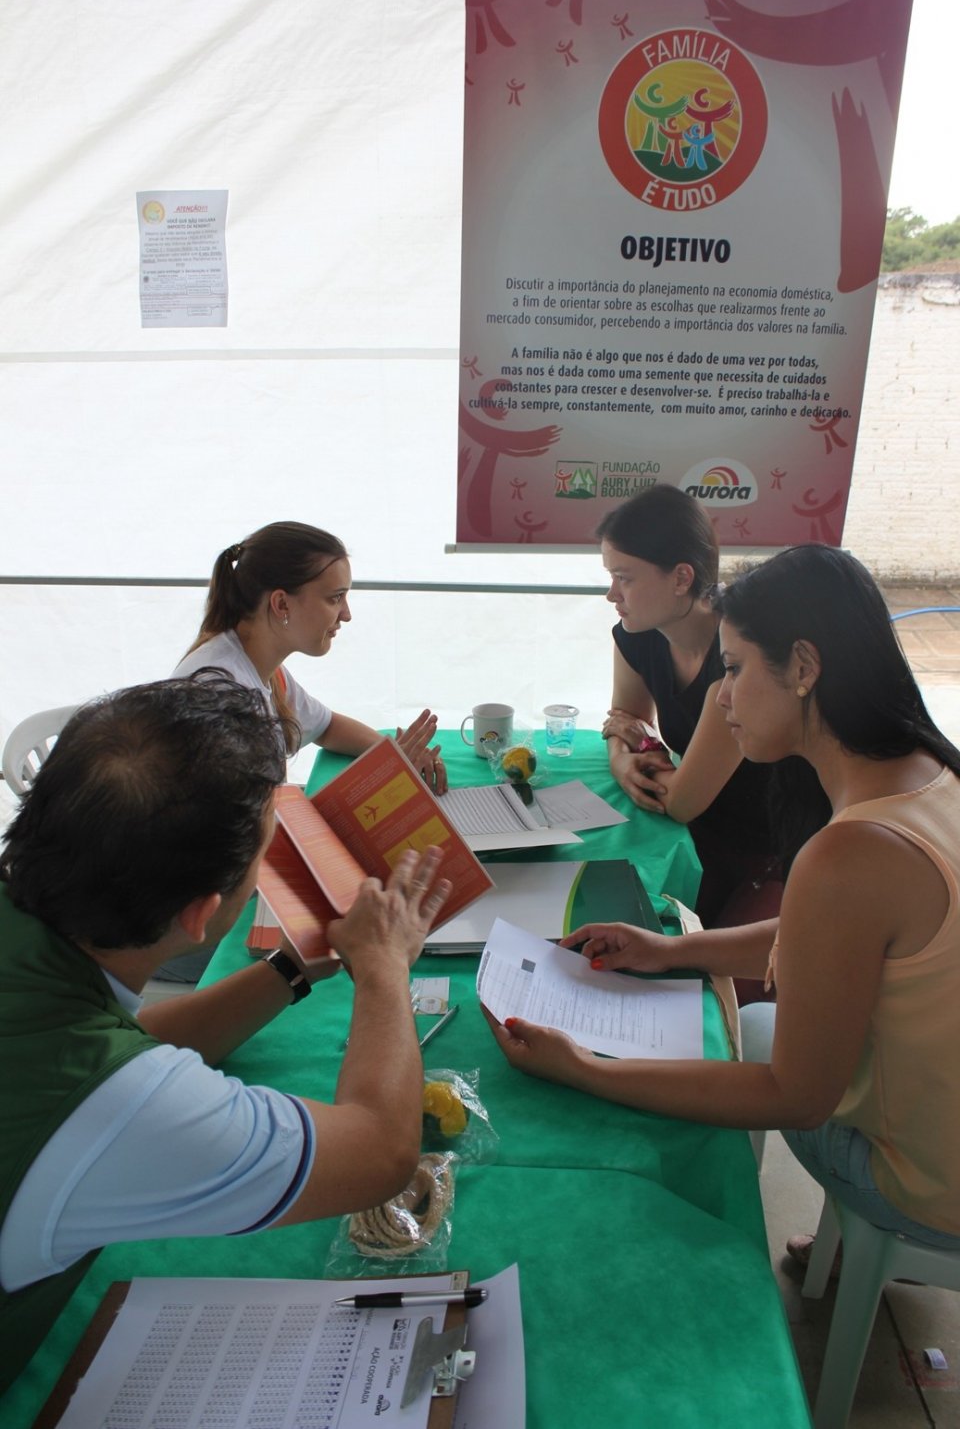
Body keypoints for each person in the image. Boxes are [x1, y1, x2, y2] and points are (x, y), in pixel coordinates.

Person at [487, 545, 960, 1251]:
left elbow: (794, 1098)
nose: (723, 697)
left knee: (733, 1062)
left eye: (734, 668)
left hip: (929, 1184)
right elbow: (821, 934)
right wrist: (670, 948)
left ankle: (852, 1239)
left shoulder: (849, 853)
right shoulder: (930, 770)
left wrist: (584, 1067)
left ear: (803, 667)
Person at [0, 676, 450, 1393]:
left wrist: (291, 967)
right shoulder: (119, 1104)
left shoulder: (35, 919)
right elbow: (381, 1151)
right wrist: (386, 963)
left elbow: (129, 1035)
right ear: (204, 915)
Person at [598, 485, 783, 931]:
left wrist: (629, 756)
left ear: (682, 578)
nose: (611, 594)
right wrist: (623, 760)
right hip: (701, 836)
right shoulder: (636, 634)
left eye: (625, 578)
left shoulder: (735, 664)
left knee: (692, 966)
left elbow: (681, 802)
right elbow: (623, 722)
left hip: (771, 852)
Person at [173, 521, 447, 793]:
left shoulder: (262, 667)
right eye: (335, 598)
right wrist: (385, 774)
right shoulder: (221, 693)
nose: (346, 614)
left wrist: (394, 756)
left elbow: (327, 725)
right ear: (281, 604)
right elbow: (245, 827)